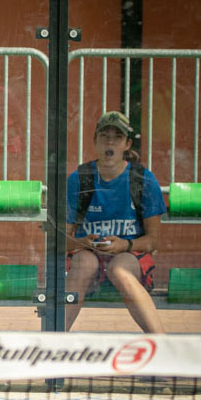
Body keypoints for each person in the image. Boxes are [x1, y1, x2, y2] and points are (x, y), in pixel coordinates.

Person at [64, 111, 167, 334]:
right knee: (84, 263)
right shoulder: (79, 179)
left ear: (127, 144)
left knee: (119, 269)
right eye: (104, 136)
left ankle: (161, 342)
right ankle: (53, 341)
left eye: (117, 137)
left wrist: (125, 245)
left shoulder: (143, 179)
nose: (110, 142)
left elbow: (153, 241)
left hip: (129, 255)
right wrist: (84, 242)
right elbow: (60, 239)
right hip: (87, 254)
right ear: (95, 141)